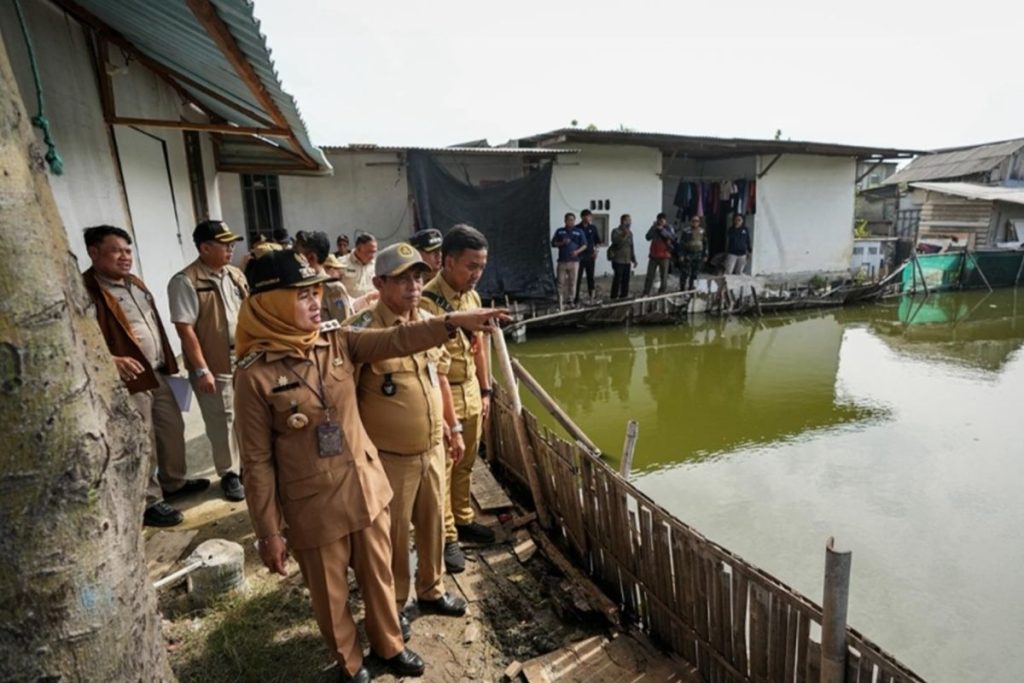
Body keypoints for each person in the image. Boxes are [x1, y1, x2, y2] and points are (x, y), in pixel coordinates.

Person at [233, 249, 506, 682]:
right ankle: (350, 662)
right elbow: (256, 461)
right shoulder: (254, 376)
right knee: (331, 592)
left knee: (380, 576)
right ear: (269, 304)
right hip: (312, 501)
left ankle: (389, 645)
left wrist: (452, 323)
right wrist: (267, 531)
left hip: (365, 485)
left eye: (315, 293)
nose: (314, 303)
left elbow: (397, 339)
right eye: (301, 296)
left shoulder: (337, 341)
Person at [347, 243, 468, 629]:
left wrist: (453, 427)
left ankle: (431, 589)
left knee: (432, 522)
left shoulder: (430, 323)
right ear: (379, 283)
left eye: (418, 277)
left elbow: (441, 378)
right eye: (402, 279)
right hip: (389, 457)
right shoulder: (364, 331)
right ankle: (397, 600)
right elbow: (345, 398)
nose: (413, 286)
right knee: (394, 534)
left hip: (432, 448)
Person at [82, 226, 204, 527]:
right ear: (94, 252)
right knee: (142, 439)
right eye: (116, 250)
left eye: (128, 250)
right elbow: (78, 337)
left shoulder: (134, 283)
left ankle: (173, 482)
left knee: (171, 429)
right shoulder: (87, 290)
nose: (125, 257)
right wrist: (110, 360)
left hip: (159, 369)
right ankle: (149, 501)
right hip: (129, 379)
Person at [419, 225, 495, 574]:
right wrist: (449, 420)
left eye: (481, 266)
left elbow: (479, 348)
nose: (477, 274)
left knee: (467, 463)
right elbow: (431, 369)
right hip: (442, 396)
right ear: (448, 262)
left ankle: (463, 518)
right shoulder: (427, 303)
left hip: (471, 393)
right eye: (470, 266)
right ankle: (448, 535)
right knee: (444, 468)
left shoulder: (473, 298)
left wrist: (486, 389)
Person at [168, 220, 247, 501]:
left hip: (244, 358)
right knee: (221, 421)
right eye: (225, 245)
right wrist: (201, 369)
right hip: (215, 361)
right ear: (204, 248)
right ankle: (229, 474)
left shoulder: (234, 274)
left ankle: (245, 466)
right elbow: (184, 328)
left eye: (232, 244)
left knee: (246, 415)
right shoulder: (186, 281)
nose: (231, 249)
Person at [295, 230, 378, 321]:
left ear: (311, 257)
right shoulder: (304, 284)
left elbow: (343, 323)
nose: (373, 255)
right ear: (358, 248)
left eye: (297, 254)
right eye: (369, 252)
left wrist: (367, 299)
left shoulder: (332, 288)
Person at [550, 213, 586, 305]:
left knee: (572, 282)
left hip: (574, 261)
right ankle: (560, 300)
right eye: (569, 220)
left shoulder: (579, 231)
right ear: (565, 220)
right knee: (560, 282)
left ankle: (571, 300)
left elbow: (585, 245)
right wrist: (562, 243)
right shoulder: (560, 231)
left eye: (572, 220)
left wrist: (577, 252)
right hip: (562, 261)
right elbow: (553, 243)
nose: (571, 221)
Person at [642, 213, 675, 296]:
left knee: (663, 276)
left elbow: (672, 237)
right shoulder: (654, 227)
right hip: (653, 255)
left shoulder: (668, 227)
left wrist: (662, 230)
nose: (660, 222)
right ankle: (646, 292)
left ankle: (662, 291)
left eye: (662, 220)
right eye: (659, 220)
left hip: (664, 255)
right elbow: (647, 237)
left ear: (665, 220)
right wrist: (654, 229)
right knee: (650, 275)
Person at [338, 233, 378, 300]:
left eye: (374, 252)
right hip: (349, 308)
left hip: (371, 308)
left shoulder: (377, 265)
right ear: (359, 249)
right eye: (370, 252)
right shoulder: (341, 263)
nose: (373, 256)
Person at [574, 209, 601, 304]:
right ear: (582, 217)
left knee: (591, 277)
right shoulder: (576, 228)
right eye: (585, 216)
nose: (587, 218)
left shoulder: (593, 228)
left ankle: (592, 297)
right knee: (577, 278)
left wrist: (596, 252)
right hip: (579, 257)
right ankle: (575, 298)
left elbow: (597, 241)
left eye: (589, 216)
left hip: (590, 256)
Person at [608, 214, 637, 299]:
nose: (629, 222)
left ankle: (624, 296)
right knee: (617, 279)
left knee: (626, 279)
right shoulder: (615, 231)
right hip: (618, 259)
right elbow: (616, 243)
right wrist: (624, 235)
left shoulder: (630, 233)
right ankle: (614, 296)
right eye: (628, 220)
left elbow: (631, 246)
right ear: (623, 221)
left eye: (630, 220)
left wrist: (634, 259)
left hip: (627, 260)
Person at [677, 216, 707, 290]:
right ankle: (682, 289)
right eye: (693, 221)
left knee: (695, 273)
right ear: (690, 221)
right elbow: (681, 244)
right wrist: (681, 255)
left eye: (697, 221)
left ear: (699, 222)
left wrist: (705, 254)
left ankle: (691, 289)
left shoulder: (702, 231)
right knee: (685, 272)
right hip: (688, 254)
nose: (695, 223)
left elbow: (705, 243)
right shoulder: (686, 231)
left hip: (698, 254)